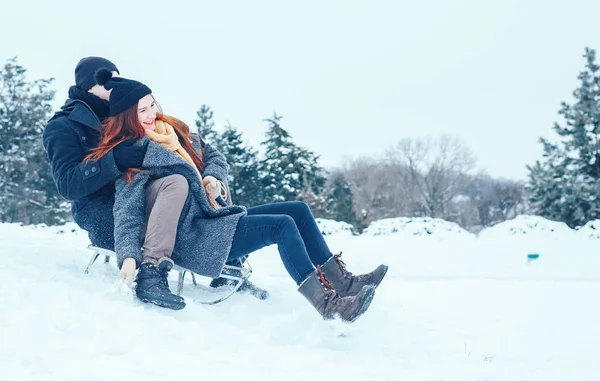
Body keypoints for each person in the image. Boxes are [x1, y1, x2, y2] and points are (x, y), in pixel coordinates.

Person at [87, 69, 389, 322]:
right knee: (281, 225)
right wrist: (128, 257)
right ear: (128, 118)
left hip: (214, 220)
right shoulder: (133, 154)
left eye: (152, 104)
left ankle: (343, 283)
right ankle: (329, 306)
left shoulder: (176, 134)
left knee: (297, 209)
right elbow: (126, 212)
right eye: (142, 111)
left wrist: (212, 176)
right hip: (195, 239)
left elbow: (214, 155)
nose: (152, 113)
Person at [42, 57, 267, 298]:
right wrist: (114, 161)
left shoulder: (132, 107)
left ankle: (229, 264)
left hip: (149, 193)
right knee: (177, 188)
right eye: (109, 81)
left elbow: (196, 149)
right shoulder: (63, 126)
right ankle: (153, 274)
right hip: (105, 212)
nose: (117, 84)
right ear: (89, 87)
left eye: (118, 77)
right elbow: (67, 184)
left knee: (195, 172)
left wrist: (207, 172)